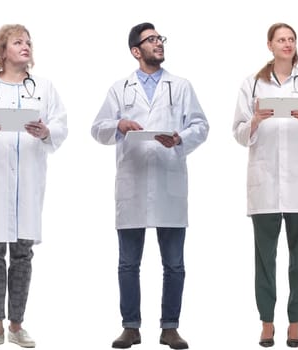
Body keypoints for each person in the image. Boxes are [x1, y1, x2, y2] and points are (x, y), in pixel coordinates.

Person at [91, 22, 209, 350]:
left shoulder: (181, 86)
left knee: (174, 264)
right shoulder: (120, 88)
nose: (158, 43)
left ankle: (170, 327)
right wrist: (119, 124)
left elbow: (201, 125)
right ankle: (130, 327)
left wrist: (180, 138)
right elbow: (98, 128)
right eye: (151, 39)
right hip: (133, 182)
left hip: (169, 179)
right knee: (128, 263)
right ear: (136, 50)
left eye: (160, 38)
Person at [0, 24, 68, 349]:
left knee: (22, 254)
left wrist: (46, 131)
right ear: (2, 51)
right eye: (18, 42)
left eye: (29, 41)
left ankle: (17, 326)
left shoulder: (43, 88)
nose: (26, 46)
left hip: (29, 181)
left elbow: (61, 124)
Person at [232, 22, 298, 349]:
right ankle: (267, 323)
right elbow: (239, 132)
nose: (287, 44)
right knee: (264, 260)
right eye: (281, 39)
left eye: (291, 39)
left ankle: (296, 323)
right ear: (270, 45)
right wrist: (256, 120)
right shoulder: (252, 84)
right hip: (264, 185)